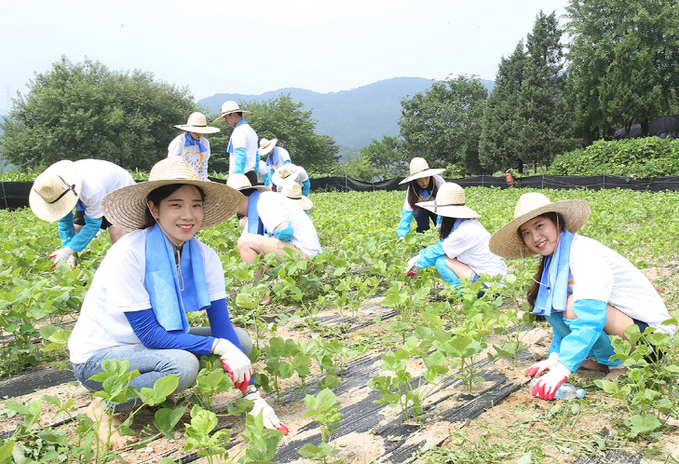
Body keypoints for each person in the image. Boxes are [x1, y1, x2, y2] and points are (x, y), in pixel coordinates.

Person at [67, 157, 288, 449]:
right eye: (176, 204)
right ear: (153, 209)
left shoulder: (204, 256)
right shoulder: (129, 253)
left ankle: (157, 397)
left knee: (242, 342)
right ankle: (105, 406)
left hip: (147, 349)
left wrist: (254, 398)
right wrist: (219, 347)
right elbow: (150, 334)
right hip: (100, 357)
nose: (188, 215)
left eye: (196, 204)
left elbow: (221, 326)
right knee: (182, 366)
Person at [488, 192, 675, 400]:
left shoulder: (584, 253)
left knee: (574, 307)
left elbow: (589, 317)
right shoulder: (555, 262)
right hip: (626, 328)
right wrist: (555, 357)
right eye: (526, 232)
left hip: (651, 341)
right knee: (561, 306)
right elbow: (558, 317)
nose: (535, 237)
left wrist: (563, 369)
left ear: (557, 223)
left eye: (539, 225)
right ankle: (606, 360)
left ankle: (619, 365)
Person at [29, 159, 136, 268]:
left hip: (119, 189)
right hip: (89, 189)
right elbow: (64, 222)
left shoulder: (91, 190)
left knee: (117, 235)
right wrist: (67, 249)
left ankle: (125, 267)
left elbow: (93, 225)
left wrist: (68, 251)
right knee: (77, 228)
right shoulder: (55, 186)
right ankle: (73, 262)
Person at [226, 174, 322, 288]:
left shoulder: (264, 201)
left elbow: (285, 232)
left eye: (234, 205)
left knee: (245, 243)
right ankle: (269, 286)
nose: (235, 211)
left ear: (240, 199)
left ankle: (261, 293)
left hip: (305, 257)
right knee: (250, 245)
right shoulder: (258, 203)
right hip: (308, 257)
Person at [405, 183, 507, 290]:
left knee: (441, 261)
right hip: (495, 281)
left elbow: (438, 251)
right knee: (448, 257)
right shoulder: (468, 224)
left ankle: (462, 295)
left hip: (490, 286)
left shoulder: (465, 231)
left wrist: (416, 263)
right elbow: (441, 247)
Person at [397, 157, 445, 238]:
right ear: (414, 180)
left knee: (443, 230)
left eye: (426, 178)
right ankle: (423, 242)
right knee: (422, 224)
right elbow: (407, 213)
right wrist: (402, 236)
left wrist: (440, 223)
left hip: (438, 207)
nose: (424, 182)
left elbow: (446, 203)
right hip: (421, 209)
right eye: (419, 180)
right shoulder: (412, 189)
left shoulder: (438, 181)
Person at [213, 101, 258, 185]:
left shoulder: (239, 131)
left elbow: (241, 156)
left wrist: (237, 178)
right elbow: (257, 157)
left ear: (233, 114)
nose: (226, 121)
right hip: (251, 174)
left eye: (226, 117)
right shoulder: (251, 131)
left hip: (242, 175)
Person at [167, 112, 220, 181]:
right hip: (178, 177)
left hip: (196, 178)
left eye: (201, 132)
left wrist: (202, 180)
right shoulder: (179, 141)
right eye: (196, 132)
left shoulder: (205, 143)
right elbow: (171, 162)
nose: (199, 134)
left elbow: (203, 165)